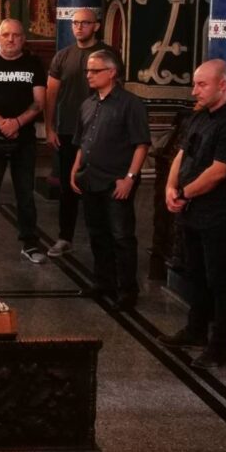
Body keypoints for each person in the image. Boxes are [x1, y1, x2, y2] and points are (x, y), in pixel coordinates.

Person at [159, 59, 226, 369]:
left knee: (219, 280)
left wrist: (183, 194)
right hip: (191, 210)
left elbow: (218, 172)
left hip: (218, 214)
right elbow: (182, 153)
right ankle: (195, 330)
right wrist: (170, 187)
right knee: (194, 274)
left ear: (222, 85)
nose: (194, 91)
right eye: (194, 84)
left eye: (201, 85)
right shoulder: (199, 116)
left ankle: (219, 347)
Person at [70, 50, 150, 309]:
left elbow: (141, 144)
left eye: (95, 71)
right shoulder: (88, 104)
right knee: (97, 234)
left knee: (121, 237)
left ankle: (127, 290)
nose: (89, 75)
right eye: (87, 71)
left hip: (116, 181)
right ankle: (103, 281)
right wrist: (75, 170)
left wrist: (130, 178)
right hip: (90, 178)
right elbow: (83, 141)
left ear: (112, 72)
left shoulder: (130, 104)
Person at [44, 8, 120, 258]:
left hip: (100, 133)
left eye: (85, 23)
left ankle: (104, 238)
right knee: (68, 187)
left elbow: (117, 93)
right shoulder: (63, 56)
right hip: (68, 130)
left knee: (99, 186)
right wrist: (50, 127)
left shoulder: (108, 55)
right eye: (75, 23)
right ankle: (65, 237)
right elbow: (51, 93)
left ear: (96, 26)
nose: (79, 27)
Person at [0, 18, 47, 264]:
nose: (11, 39)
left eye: (16, 35)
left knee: (25, 193)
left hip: (24, 140)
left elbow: (39, 102)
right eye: (6, 35)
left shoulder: (34, 64)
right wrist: (2, 123)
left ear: (23, 39)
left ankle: (30, 243)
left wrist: (17, 123)